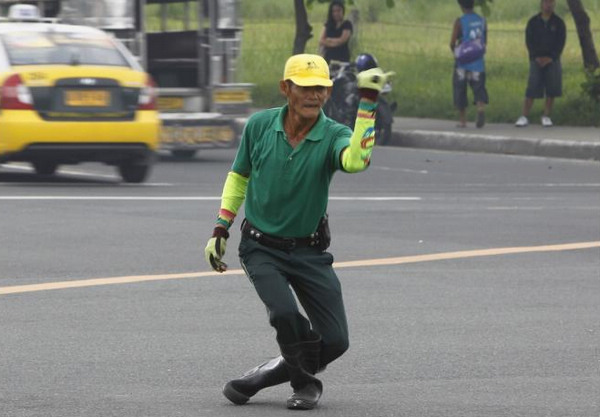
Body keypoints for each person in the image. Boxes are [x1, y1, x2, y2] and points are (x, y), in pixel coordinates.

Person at [204, 54, 393, 410]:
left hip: (309, 252)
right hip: (261, 248)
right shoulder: (259, 126)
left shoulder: (334, 134)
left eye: (320, 88)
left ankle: (266, 373)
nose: (313, 95)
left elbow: (357, 161)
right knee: (284, 314)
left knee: (336, 341)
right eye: (305, 88)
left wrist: (367, 104)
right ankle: (305, 384)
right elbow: (238, 176)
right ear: (285, 88)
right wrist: (221, 227)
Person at [515, 0, 566, 127]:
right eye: (546, 2)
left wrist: (552, 57)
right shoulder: (533, 22)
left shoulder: (558, 23)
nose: (548, 5)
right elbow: (529, 41)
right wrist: (535, 56)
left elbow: (561, 42)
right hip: (536, 59)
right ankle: (524, 116)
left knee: (551, 89)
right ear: (541, 4)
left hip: (552, 60)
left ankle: (546, 115)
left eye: (551, 3)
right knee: (532, 87)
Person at [450, 0, 488, 128]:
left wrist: (456, 51)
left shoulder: (459, 21)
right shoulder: (482, 20)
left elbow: (452, 42)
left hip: (462, 63)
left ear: (461, 5)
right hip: (478, 62)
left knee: (460, 89)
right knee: (479, 88)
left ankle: (463, 121)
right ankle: (480, 108)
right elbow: (484, 40)